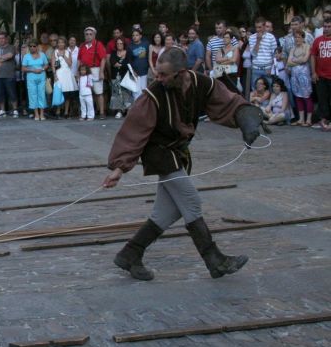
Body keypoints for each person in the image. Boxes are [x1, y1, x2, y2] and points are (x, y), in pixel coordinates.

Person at [103, 47, 263, 281]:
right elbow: (133, 131)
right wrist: (119, 169)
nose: (158, 78)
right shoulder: (153, 96)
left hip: (179, 153)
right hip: (160, 154)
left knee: (166, 212)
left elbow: (227, 101)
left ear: (182, 73)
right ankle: (215, 260)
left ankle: (130, 254)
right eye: (157, 73)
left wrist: (247, 119)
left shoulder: (202, 84)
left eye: (164, 75)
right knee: (191, 203)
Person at [78, 27, 107, 119]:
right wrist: (78, 72)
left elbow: (103, 59)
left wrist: (101, 72)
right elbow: (79, 59)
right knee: (87, 93)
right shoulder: (82, 46)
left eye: (90, 34)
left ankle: (102, 112)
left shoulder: (98, 44)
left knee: (98, 92)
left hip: (95, 69)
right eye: (86, 34)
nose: (88, 36)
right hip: (84, 71)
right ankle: (90, 113)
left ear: (94, 35)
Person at [286, 29, 314, 127]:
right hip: (295, 76)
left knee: (306, 96)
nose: (296, 39)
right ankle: (301, 119)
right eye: (295, 37)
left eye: (298, 37)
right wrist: (299, 60)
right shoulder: (293, 49)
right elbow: (289, 62)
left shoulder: (307, 47)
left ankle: (309, 119)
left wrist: (295, 60)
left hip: (304, 75)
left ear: (303, 37)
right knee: (298, 96)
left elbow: (305, 59)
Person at [310, 18, 331, 131]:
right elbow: (313, 56)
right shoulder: (318, 40)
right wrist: (313, 72)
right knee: (322, 100)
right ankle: (324, 120)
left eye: (329, 27)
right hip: (321, 75)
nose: (327, 29)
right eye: (325, 27)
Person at [0, 31, 19, 118]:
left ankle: (15, 110)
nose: (1, 40)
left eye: (3, 38)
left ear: (6, 38)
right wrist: (3, 58)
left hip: (9, 75)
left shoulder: (11, 47)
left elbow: (10, 55)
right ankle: (2, 110)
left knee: (12, 93)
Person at [21, 41, 49, 121]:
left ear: (37, 46)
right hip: (31, 78)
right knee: (32, 95)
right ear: (29, 47)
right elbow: (23, 68)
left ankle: (42, 113)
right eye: (31, 46)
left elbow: (46, 64)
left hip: (41, 77)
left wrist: (42, 69)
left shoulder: (42, 55)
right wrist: (33, 70)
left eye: (34, 46)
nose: (32, 48)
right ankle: (36, 113)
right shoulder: (26, 56)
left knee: (41, 94)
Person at [248, 17, 277, 87]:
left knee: (269, 89)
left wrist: (272, 68)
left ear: (264, 26)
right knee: (255, 90)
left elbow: (274, 54)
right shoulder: (251, 37)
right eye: (256, 27)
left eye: (260, 27)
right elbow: (253, 54)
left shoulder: (271, 37)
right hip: (256, 69)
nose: (258, 29)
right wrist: (258, 40)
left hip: (267, 68)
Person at [53, 36, 77, 118]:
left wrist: (63, 56)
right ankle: (58, 111)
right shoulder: (55, 52)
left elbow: (70, 64)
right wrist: (54, 75)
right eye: (59, 42)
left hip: (67, 73)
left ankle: (66, 112)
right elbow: (53, 65)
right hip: (59, 73)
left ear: (65, 43)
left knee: (67, 94)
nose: (60, 44)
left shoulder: (68, 52)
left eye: (62, 42)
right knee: (59, 93)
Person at [109, 38, 133, 118]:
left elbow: (129, 63)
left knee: (126, 94)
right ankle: (119, 111)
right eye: (118, 43)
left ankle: (128, 110)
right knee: (117, 94)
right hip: (115, 77)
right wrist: (121, 64)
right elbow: (112, 62)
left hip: (125, 76)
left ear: (124, 44)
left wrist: (119, 64)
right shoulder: (113, 53)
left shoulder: (128, 52)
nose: (119, 45)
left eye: (121, 43)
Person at [128, 29, 150, 100]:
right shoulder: (130, 47)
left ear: (140, 36)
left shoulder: (146, 44)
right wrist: (132, 71)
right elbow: (128, 61)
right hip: (135, 73)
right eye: (133, 35)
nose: (134, 37)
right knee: (136, 92)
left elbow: (148, 57)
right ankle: (137, 109)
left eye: (137, 35)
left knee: (145, 91)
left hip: (145, 72)